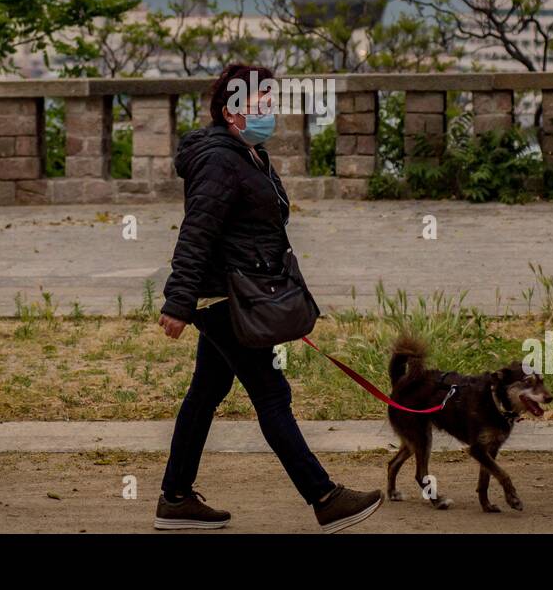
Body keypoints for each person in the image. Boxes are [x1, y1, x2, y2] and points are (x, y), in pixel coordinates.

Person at [155, 62, 383, 533]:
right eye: (261, 103)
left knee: (205, 393)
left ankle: (175, 498)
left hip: (238, 293)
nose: (269, 110)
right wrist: (178, 302)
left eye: (271, 102)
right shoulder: (219, 161)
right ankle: (324, 497)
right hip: (227, 299)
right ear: (231, 111)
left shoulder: (248, 152)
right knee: (272, 394)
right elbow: (196, 232)